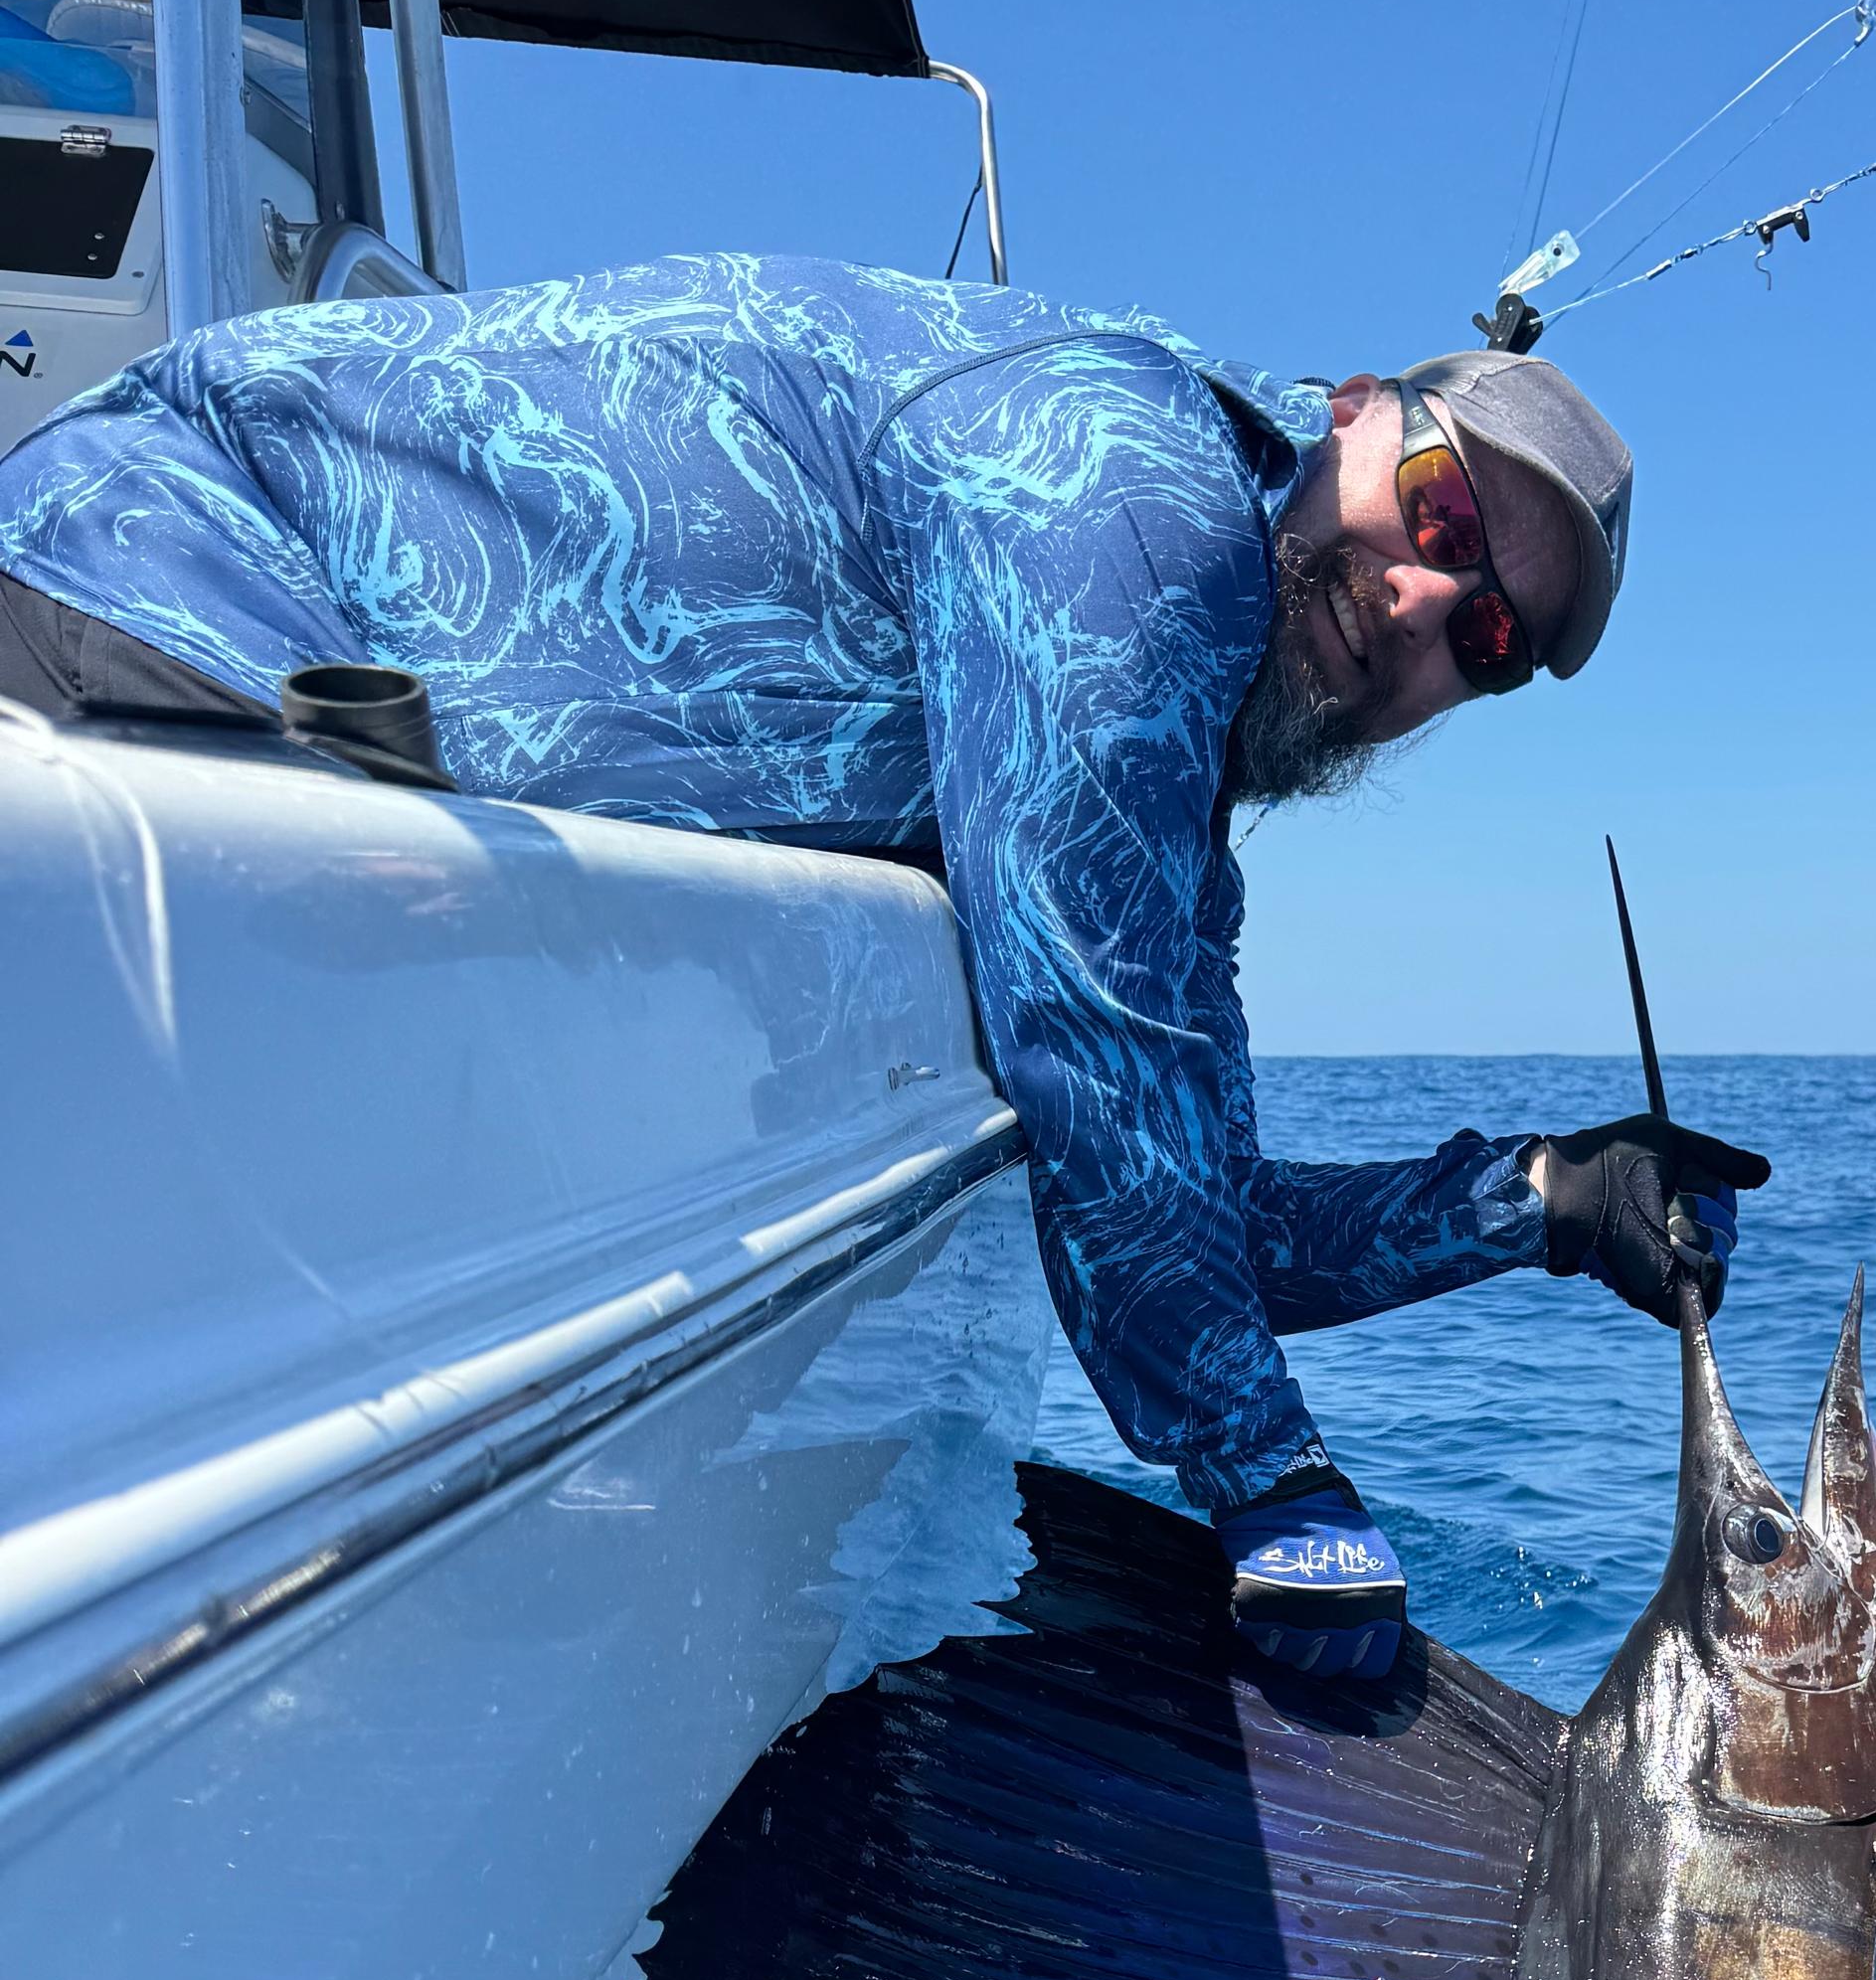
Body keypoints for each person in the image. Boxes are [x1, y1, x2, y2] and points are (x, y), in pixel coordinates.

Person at [0, 255, 1770, 1678]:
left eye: (1488, 637)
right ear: (1353, 415)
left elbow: (1184, 1202)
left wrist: (1538, 1197)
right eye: (1445, 521)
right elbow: (1093, 1057)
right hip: (174, 583)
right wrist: (1277, 1487)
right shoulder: (1125, 497)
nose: (1422, 605)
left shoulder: (1146, 774)